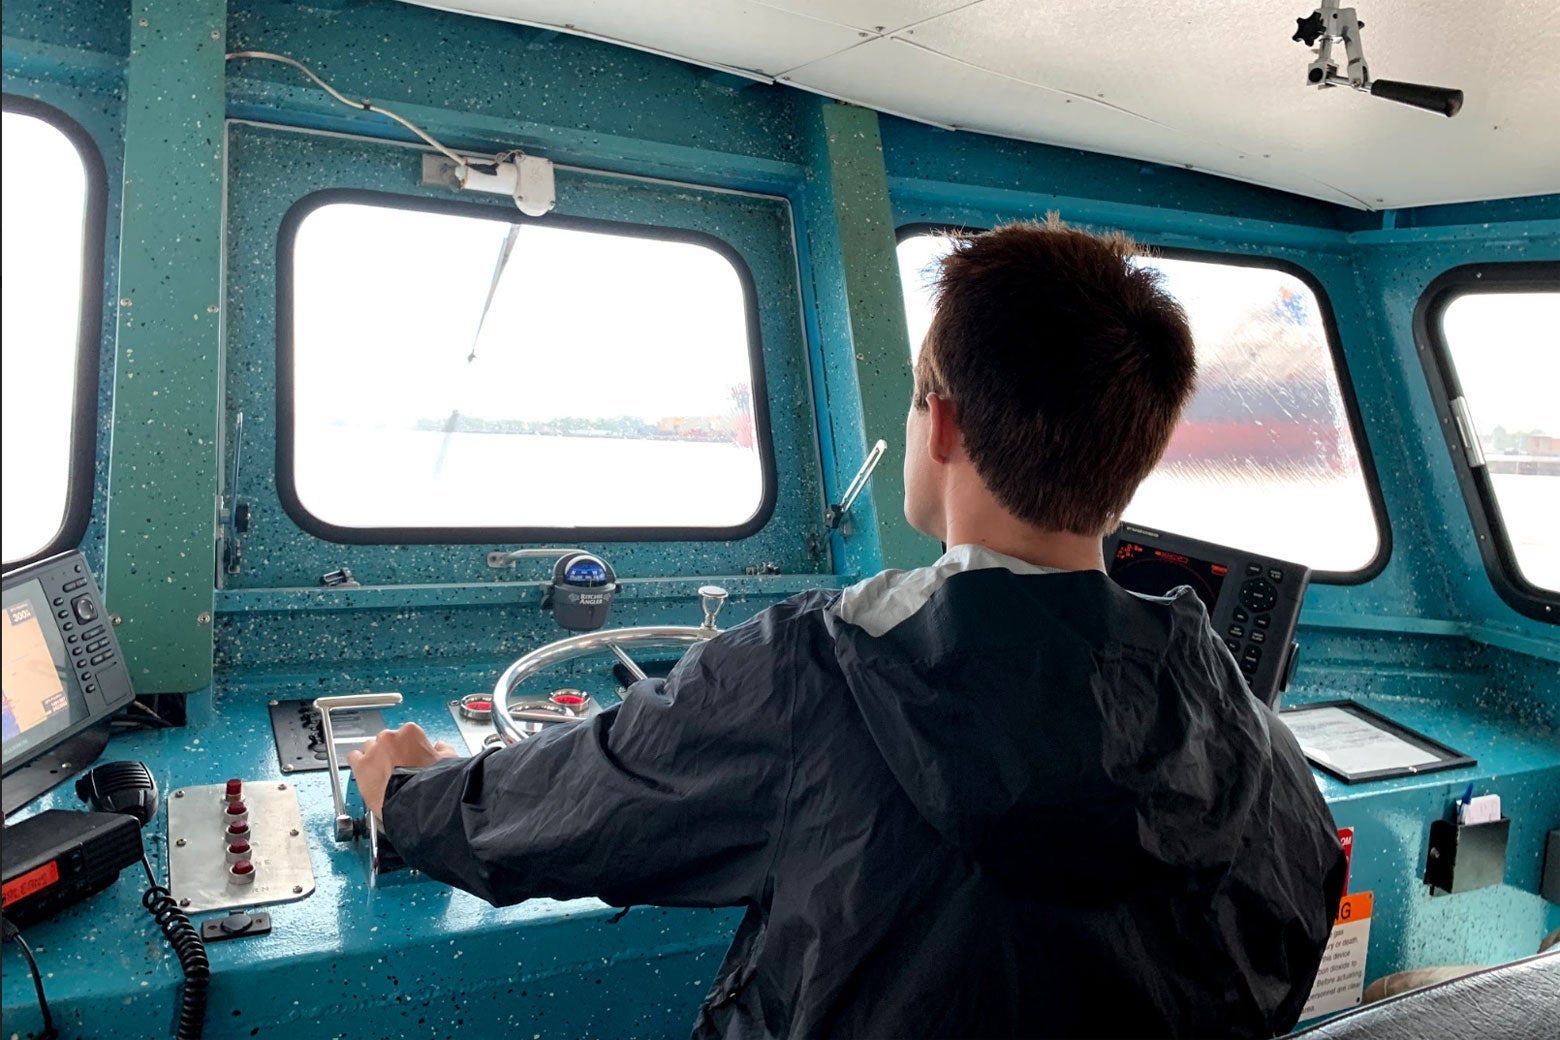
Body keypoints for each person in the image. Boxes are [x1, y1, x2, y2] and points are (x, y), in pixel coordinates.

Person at [349, 218, 1346, 1039]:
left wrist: (409, 793)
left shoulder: (821, 668)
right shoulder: (1250, 729)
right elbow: (1292, 936)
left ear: (942, 423)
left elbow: (576, 804)